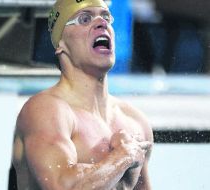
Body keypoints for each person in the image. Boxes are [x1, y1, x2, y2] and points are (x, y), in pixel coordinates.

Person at [12, 0, 153, 189]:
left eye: (105, 17)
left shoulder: (135, 121)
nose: (101, 23)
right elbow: (62, 186)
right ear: (60, 44)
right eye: (85, 19)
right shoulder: (47, 110)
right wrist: (121, 158)